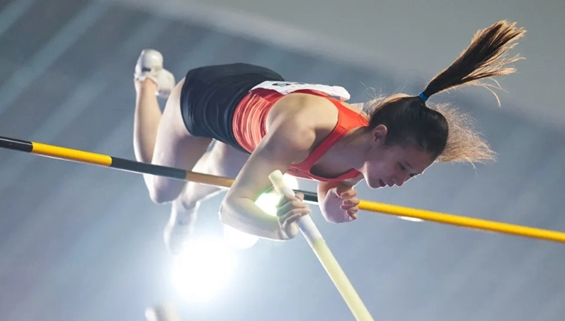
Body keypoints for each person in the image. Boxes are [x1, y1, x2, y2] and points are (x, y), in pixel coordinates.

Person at [132, 20, 525, 254]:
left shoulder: (367, 157)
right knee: (160, 189)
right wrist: (276, 228)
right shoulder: (302, 130)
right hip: (204, 99)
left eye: (411, 176)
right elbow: (234, 209)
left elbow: (328, 185)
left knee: (212, 179)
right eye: (402, 166)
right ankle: (150, 83)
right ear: (378, 136)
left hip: (254, 117)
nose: (399, 181)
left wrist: (330, 207)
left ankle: (185, 208)